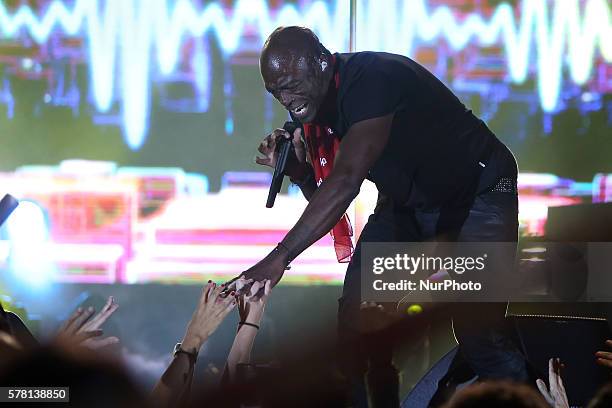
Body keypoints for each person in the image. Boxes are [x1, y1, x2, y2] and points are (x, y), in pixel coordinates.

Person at [227, 25, 529, 406]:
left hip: (479, 193)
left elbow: (347, 181)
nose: (286, 100)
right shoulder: (318, 108)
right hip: (409, 204)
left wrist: (279, 258)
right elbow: (327, 198)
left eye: (291, 85)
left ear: (321, 62)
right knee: (356, 326)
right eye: (276, 91)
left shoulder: (372, 80)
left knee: (479, 332)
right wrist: (302, 173)